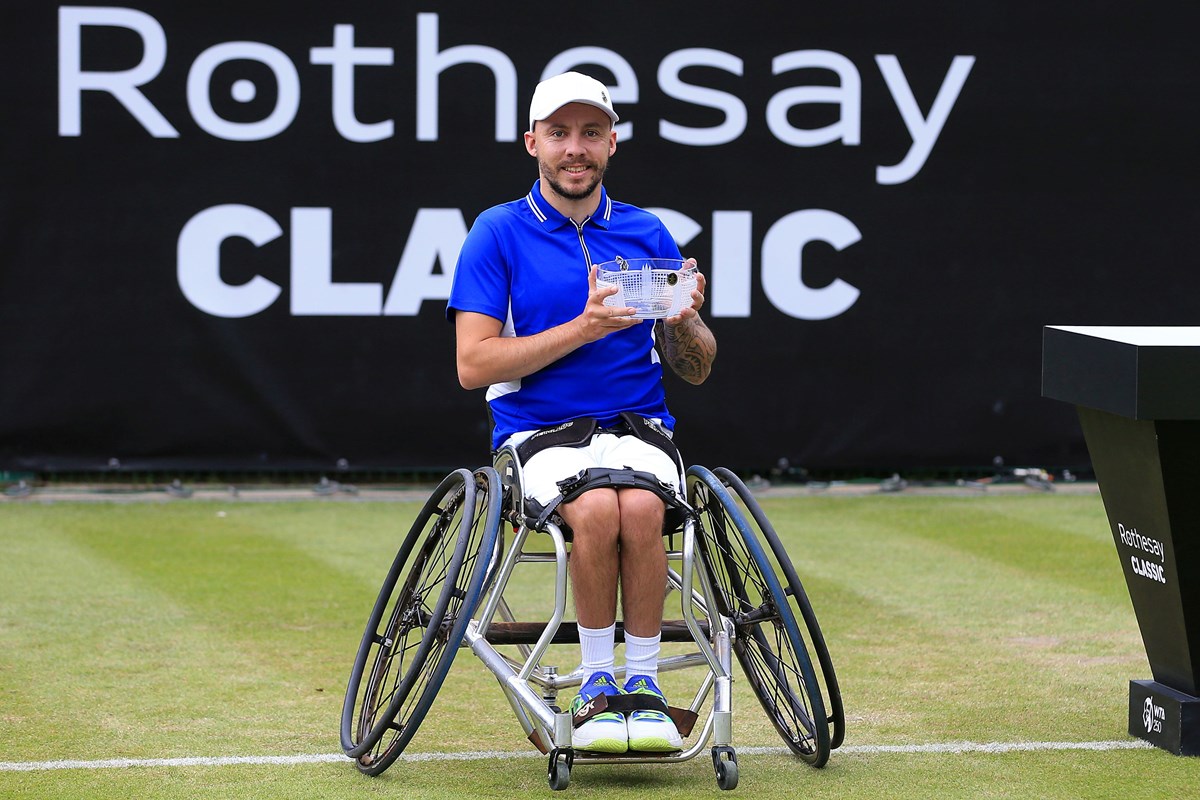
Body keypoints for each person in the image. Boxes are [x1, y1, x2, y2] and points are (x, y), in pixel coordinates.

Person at [446, 71, 717, 754]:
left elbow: (699, 366)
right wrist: (584, 327)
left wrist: (685, 321)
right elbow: (473, 365)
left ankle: (645, 688)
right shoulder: (497, 232)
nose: (576, 149)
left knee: (643, 509)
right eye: (560, 134)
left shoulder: (645, 228)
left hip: (638, 429)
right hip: (537, 434)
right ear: (532, 142)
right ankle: (600, 687)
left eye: (590, 134)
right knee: (598, 511)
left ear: (612, 144)